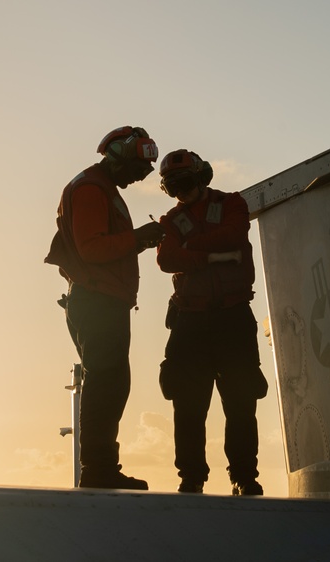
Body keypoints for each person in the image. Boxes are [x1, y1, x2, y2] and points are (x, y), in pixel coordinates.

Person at [44, 126, 165, 490]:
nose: (139, 177)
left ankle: (102, 469)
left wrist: (137, 242)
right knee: (106, 383)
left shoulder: (101, 188)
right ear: (118, 157)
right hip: (98, 301)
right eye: (137, 169)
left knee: (113, 383)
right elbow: (92, 249)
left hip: (103, 300)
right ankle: (97, 471)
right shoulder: (92, 189)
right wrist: (139, 238)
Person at [155, 149, 268, 496]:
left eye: (186, 184)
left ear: (201, 177)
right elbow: (167, 260)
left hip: (232, 317)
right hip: (191, 321)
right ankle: (191, 478)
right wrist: (213, 256)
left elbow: (234, 237)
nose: (182, 193)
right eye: (174, 188)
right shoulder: (170, 222)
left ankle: (244, 476)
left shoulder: (233, 204)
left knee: (241, 401)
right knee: (188, 405)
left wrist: (193, 250)